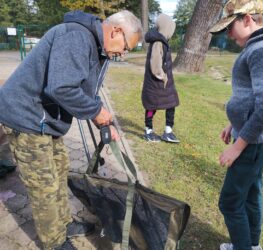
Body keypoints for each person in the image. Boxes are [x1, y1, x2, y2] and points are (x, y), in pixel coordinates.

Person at [0, 10, 142, 250]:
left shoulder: (98, 47)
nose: (123, 54)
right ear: (116, 31)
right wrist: (97, 112)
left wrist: (102, 121)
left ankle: (63, 224)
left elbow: (86, 92)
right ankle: (54, 242)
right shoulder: (75, 37)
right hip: (26, 116)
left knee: (59, 173)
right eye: (126, 47)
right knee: (43, 185)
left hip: (47, 119)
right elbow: (63, 88)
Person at [209, 0, 263, 250]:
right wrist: (233, 123)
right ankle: (252, 245)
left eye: (230, 26)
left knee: (230, 201)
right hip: (256, 135)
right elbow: (254, 96)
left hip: (254, 141)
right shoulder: (260, 46)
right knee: (250, 191)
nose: (228, 33)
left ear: (247, 19)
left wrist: (238, 146)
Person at [142, 13, 180, 143]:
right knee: (151, 106)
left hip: (164, 83)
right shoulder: (158, 42)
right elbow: (155, 65)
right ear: (166, 27)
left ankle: (168, 132)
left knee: (171, 103)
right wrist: (163, 77)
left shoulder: (163, 42)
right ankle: (148, 131)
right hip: (156, 82)